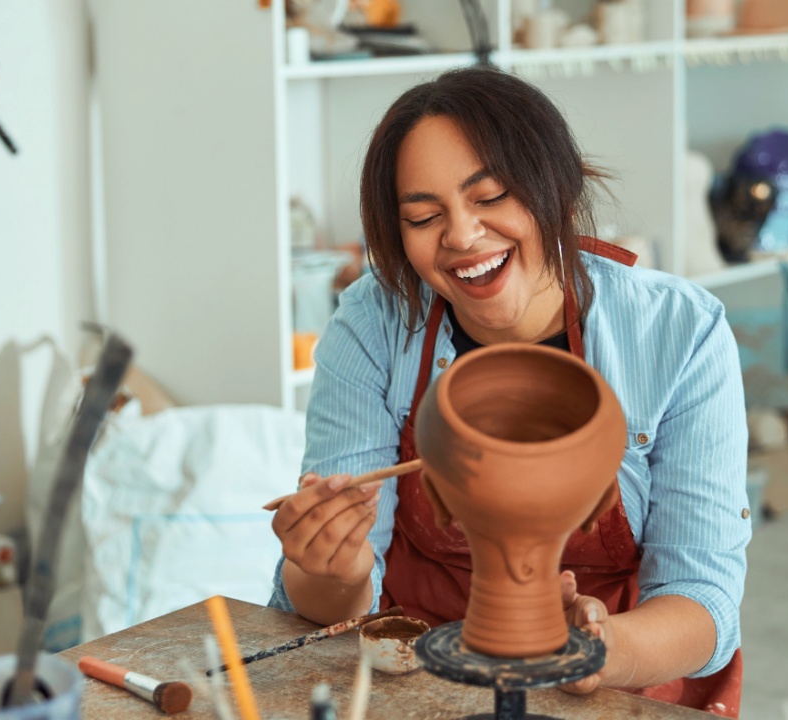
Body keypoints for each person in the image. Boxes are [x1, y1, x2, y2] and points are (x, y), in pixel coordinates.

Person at [268, 67, 749, 716]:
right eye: (423, 216)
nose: (462, 237)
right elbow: (324, 603)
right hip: (417, 682)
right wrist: (336, 567)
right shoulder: (373, 321)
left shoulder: (680, 333)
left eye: (490, 196)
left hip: (620, 684)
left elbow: (703, 603)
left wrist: (596, 650)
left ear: (559, 185)